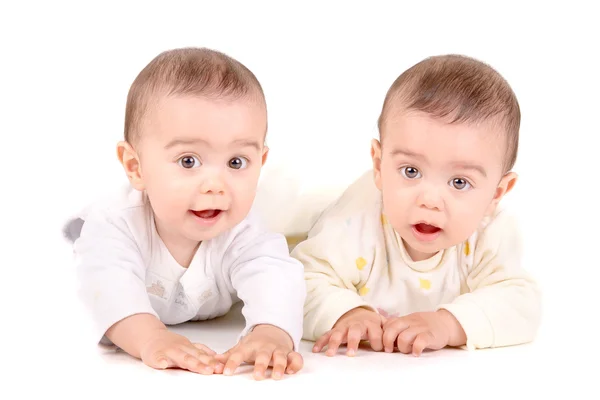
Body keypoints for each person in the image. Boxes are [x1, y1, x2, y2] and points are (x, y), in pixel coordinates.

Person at [64, 47, 305, 380]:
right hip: (90, 242)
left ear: (260, 164)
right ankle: (73, 230)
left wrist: (271, 332)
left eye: (236, 162)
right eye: (188, 161)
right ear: (136, 166)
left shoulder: (245, 230)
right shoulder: (117, 225)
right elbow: (107, 286)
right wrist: (150, 337)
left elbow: (275, 276)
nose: (215, 185)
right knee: (83, 249)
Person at [291, 54, 541, 357]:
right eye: (411, 171)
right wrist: (348, 313)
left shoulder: (491, 233)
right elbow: (298, 280)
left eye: (459, 182)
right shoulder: (355, 220)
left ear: (497, 193)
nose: (430, 200)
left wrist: (448, 324)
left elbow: (520, 303)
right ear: (379, 164)